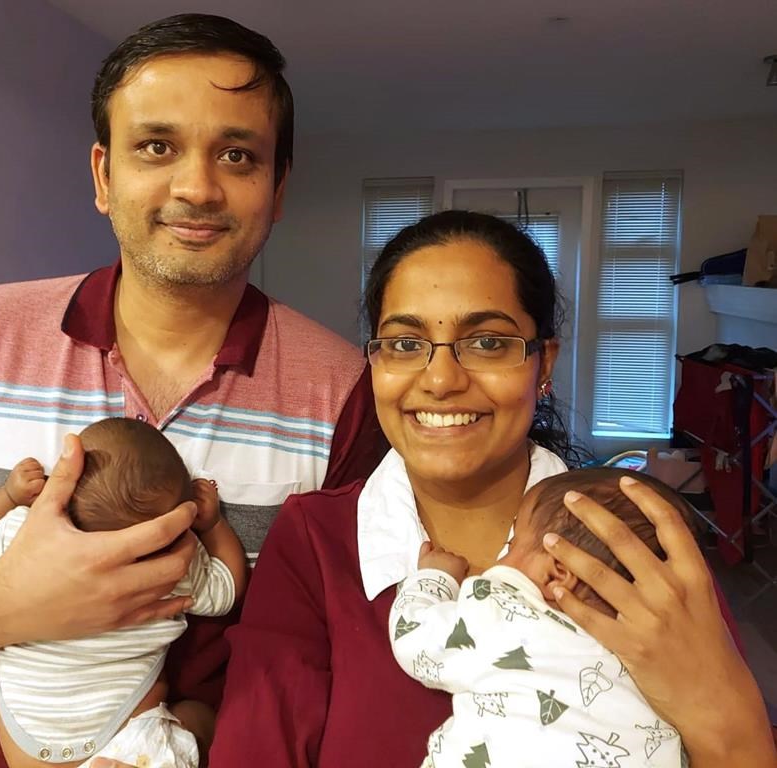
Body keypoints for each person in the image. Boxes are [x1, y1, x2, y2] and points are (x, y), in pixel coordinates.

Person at [0, 14, 383, 768]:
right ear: (103, 175)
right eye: (156, 147)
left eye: (237, 154)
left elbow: (337, 651)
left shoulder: (346, 389)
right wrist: (14, 598)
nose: (196, 186)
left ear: (277, 188)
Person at [209, 211, 777, 768]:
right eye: (405, 343)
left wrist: (722, 713)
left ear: (543, 363)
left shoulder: (632, 530)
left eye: (486, 342)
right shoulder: (318, 539)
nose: (440, 380)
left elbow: (736, 743)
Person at [0, 417, 245, 768]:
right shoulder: (172, 565)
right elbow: (228, 587)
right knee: (196, 716)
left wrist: (8, 497)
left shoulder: (24, 536)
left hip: (29, 747)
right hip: (128, 748)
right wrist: (212, 526)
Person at [390, 467, 700, 768]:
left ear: (557, 573)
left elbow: (414, 637)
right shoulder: (662, 659)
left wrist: (435, 577)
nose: (502, 557)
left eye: (512, 544)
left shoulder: (504, 609)